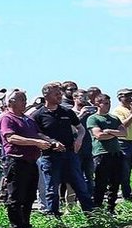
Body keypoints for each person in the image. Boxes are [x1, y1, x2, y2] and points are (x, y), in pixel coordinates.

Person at [0, 89, 63, 228]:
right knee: (16, 195)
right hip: (16, 160)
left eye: (25, 99)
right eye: (21, 99)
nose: (25, 102)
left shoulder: (27, 119)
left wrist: (51, 142)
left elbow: (38, 133)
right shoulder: (7, 119)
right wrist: (36, 142)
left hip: (31, 160)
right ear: (11, 102)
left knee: (29, 194)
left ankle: (26, 224)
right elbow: (11, 138)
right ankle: (17, 227)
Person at [29, 82, 95, 216]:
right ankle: (53, 217)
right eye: (56, 94)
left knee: (80, 185)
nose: (60, 96)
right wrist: (51, 142)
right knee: (52, 189)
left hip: (70, 154)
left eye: (60, 93)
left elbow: (80, 128)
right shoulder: (38, 115)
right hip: (50, 156)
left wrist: (79, 139)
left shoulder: (67, 111)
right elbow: (35, 133)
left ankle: (91, 214)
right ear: (46, 96)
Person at [85, 93, 127, 214]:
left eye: (109, 103)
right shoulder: (93, 118)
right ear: (98, 104)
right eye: (106, 103)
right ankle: (97, 209)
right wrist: (115, 133)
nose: (108, 106)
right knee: (101, 183)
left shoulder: (114, 118)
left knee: (115, 182)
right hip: (102, 154)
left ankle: (111, 208)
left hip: (116, 153)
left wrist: (109, 131)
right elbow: (99, 135)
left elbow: (124, 132)